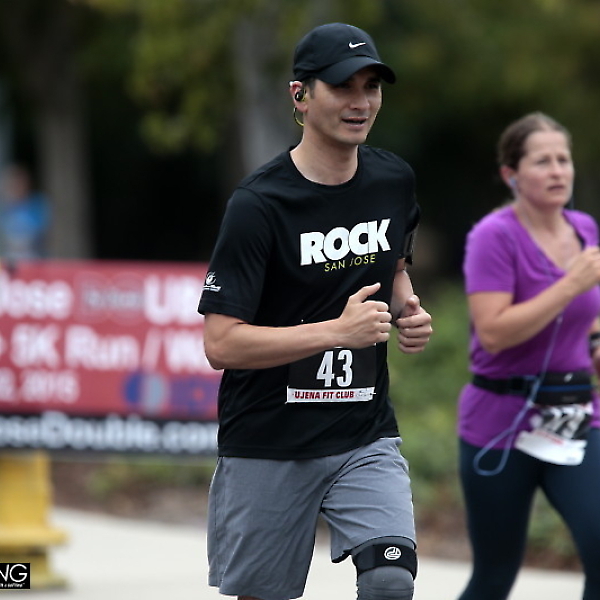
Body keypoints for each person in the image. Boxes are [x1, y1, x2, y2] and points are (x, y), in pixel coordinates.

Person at [198, 22, 433, 600]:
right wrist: (335, 332)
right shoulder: (258, 205)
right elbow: (221, 344)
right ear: (300, 95)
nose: (361, 102)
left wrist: (406, 306)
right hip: (268, 440)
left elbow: (394, 265)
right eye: (342, 86)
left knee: (390, 582)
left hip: (363, 434)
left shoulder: (392, 180)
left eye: (371, 86)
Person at [456, 112, 600, 600]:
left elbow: (589, 318)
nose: (558, 170)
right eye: (543, 161)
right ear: (511, 174)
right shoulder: (493, 236)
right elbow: (494, 333)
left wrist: (597, 347)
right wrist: (570, 284)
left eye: (564, 159)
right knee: (495, 575)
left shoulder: (584, 229)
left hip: (575, 414)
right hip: (501, 421)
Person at [0, 164, 50, 262]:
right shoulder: (4, 207)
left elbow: (41, 232)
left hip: (35, 259)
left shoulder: (37, 204)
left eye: (19, 183)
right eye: (13, 183)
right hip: (9, 259)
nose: (16, 187)